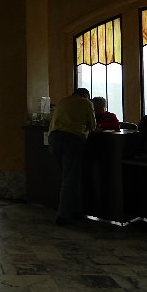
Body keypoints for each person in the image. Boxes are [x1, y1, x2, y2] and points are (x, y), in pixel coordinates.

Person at [47, 87, 97, 226]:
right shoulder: (86, 103)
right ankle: (64, 215)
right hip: (72, 140)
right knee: (70, 179)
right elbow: (93, 126)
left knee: (67, 176)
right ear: (86, 96)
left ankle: (75, 210)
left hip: (54, 138)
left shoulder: (63, 101)